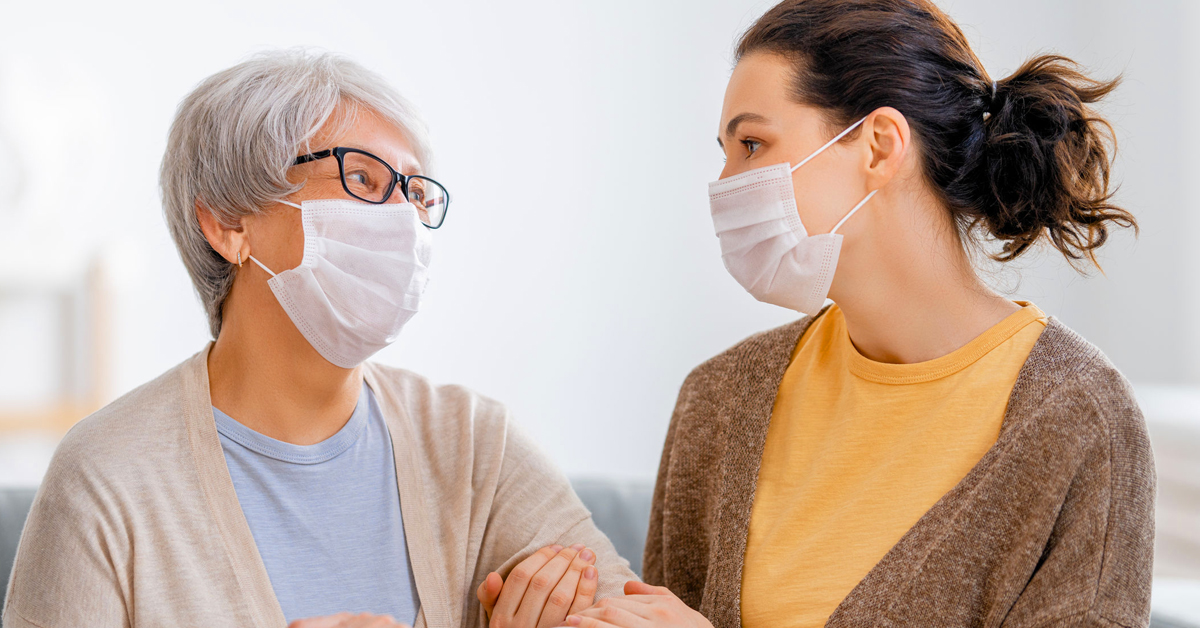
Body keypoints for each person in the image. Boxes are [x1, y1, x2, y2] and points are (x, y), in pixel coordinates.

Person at [564, 1, 1155, 627]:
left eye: (752, 144)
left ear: (878, 147)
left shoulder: (1078, 420)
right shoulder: (719, 400)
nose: (724, 181)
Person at [2, 51, 635, 628]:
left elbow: (642, 616)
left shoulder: (471, 443)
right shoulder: (107, 476)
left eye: (414, 193)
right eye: (363, 180)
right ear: (227, 222)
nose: (404, 221)